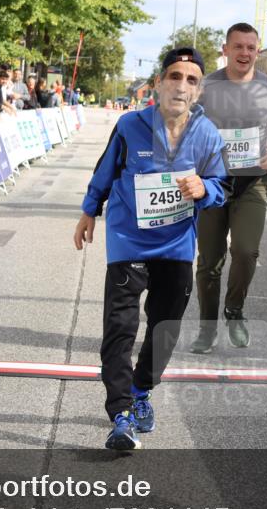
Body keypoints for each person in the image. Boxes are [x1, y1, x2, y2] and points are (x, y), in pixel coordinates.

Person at [74, 47, 230, 450]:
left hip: (177, 246)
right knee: (120, 329)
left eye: (192, 80)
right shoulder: (129, 125)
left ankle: (142, 390)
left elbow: (222, 186)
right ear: (158, 83)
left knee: (165, 331)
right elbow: (105, 169)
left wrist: (205, 188)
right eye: (174, 76)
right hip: (128, 241)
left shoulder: (207, 134)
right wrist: (89, 211)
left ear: (199, 91)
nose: (181, 85)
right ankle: (121, 414)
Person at [191, 22, 267, 353]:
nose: (245, 53)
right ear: (225, 49)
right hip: (212, 184)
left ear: (258, 51)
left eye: (251, 48)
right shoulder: (205, 86)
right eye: (238, 47)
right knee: (209, 261)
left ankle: (234, 310)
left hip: (253, 182)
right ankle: (207, 328)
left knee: (245, 251)